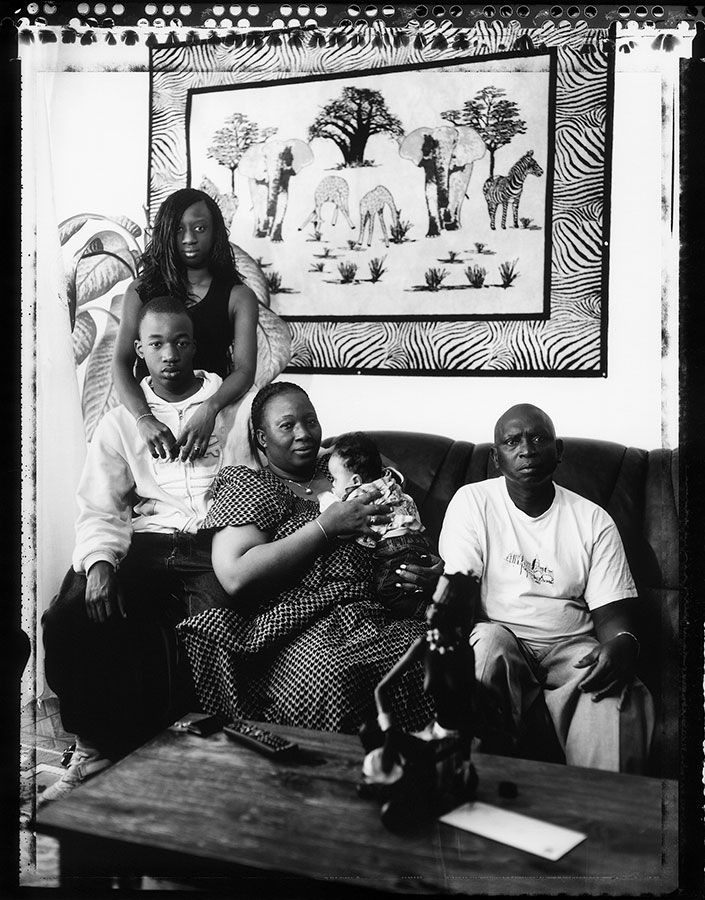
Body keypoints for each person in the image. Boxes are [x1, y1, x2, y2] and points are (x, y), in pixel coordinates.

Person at [40, 297, 233, 803]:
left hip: (214, 544)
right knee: (68, 616)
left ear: (195, 345)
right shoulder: (121, 422)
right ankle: (91, 748)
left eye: (180, 342)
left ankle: (206, 769)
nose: (170, 354)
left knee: (222, 631)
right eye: (156, 343)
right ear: (140, 351)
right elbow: (100, 504)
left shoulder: (231, 407)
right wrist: (100, 563)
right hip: (144, 544)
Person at [175, 382, 443, 734]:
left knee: (440, 655)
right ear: (262, 438)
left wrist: (431, 570)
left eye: (311, 421)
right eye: (287, 425)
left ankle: (416, 763)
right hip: (302, 625)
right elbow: (236, 574)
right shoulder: (251, 485)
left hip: (380, 614)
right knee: (334, 676)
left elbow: (399, 514)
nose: (304, 433)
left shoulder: (342, 470)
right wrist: (325, 527)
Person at [438, 403, 655, 773]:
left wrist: (623, 643)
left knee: (613, 695)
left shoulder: (593, 520)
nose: (527, 450)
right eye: (512, 441)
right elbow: (460, 591)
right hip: (500, 637)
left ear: (559, 451)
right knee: (484, 648)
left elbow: (613, 616)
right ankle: (471, 788)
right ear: (496, 458)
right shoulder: (473, 502)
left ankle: (593, 804)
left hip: (571, 649)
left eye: (539, 439)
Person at [112, 187, 272, 468]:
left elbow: (245, 370)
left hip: (216, 414)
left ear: (215, 232)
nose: (189, 238)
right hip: (155, 416)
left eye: (200, 228)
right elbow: (121, 363)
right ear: (165, 233)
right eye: (178, 229)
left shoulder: (238, 296)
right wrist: (144, 418)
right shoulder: (139, 291)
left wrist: (210, 410)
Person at [321, 431, 434, 619]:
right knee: (406, 585)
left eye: (334, 479)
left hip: (394, 546)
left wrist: (325, 499)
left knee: (387, 592)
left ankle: (428, 612)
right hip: (418, 541)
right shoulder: (390, 483)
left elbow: (343, 528)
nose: (332, 484)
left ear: (355, 481)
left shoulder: (359, 497)